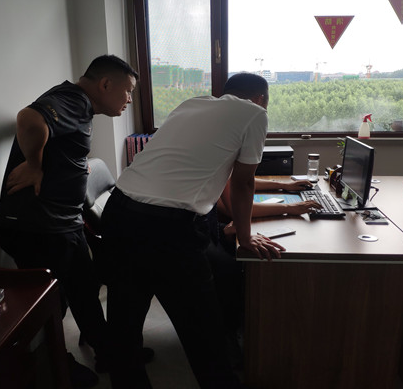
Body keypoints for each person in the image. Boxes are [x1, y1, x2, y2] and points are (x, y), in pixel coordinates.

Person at [97, 73, 284, 389]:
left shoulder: (192, 104)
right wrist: (245, 236)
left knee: (124, 324)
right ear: (261, 99)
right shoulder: (255, 114)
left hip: (119, 211)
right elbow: (243, 182)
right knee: (204, 332)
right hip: (168, 229)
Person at [0, 55, 138, 388]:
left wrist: (72, 163)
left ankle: (107, 351)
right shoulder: (73, 100)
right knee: (51, 303)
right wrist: (33, 164)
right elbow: (29, 118)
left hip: (61, 222)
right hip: (36, 227)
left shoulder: (79, 106)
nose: (129, 100)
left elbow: (57, 139)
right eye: (128, 91)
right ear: (105, 84)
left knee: (84, 288)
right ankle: (55, 365)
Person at [206, 177, 321, 368]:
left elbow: (239, 180)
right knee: (229, 268)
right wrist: (289, 208)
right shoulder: (215, 162)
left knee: (237, 250)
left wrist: (283, 185)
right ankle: (228, 334)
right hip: (190, 227)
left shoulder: (221, 165)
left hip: (206, 223)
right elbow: (236, 202)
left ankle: (243, 323)